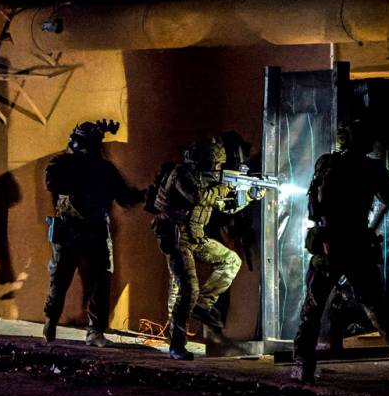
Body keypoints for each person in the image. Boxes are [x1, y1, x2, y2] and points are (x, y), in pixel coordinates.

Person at [292, 123, 389, 382]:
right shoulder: (372, 168)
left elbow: (314, 206)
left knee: (313, 308)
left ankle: (304, 365)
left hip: (329, 243)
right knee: (378, 308)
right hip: (356, 244)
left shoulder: (327, 163)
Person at [151, 136, 264, 360]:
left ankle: (203, 305)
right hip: (177, 238)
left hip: (196, 237)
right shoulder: (181, 174)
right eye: (217, 164)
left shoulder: (207, 180)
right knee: (188, 290)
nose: (219, 168)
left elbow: (224, 207)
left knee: (230, 261)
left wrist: (250, 195)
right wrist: (226, 186)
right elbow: (198, 197)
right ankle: (177, 345)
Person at [42, 120, 145, 347]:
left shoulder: (105, 169)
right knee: (60, 278)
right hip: (69, 228)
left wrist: (145, 195)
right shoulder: (61, 164)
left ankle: (95, 331)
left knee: (100, 280)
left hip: (96, 229)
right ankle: (51, 321)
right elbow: (53, 183)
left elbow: (124, 198)